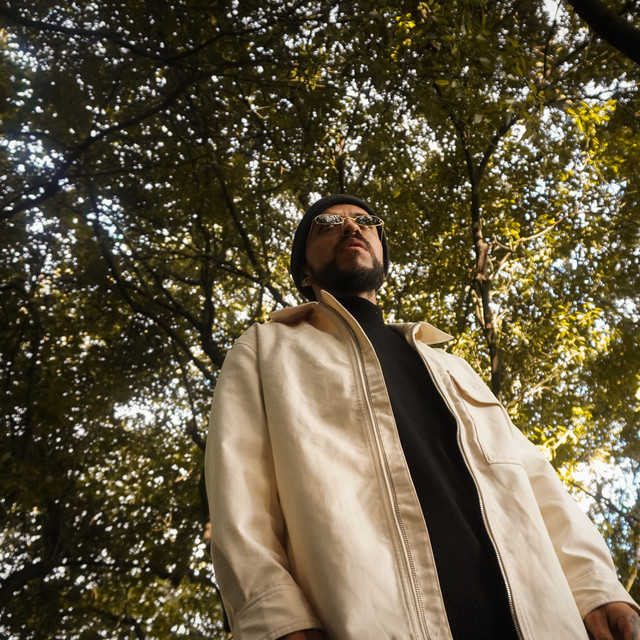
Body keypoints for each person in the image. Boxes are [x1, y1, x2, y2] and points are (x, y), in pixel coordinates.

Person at [205, 194, 640, 640]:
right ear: (303, 273)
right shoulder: (264, 349)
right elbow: (239, 493)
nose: (351, 227)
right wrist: (278, 620)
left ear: (381, 257)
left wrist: (594, 585)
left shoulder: (451, 365)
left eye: (366, 221)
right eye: (328, 223)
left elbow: (533, 477)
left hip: (539, 620)